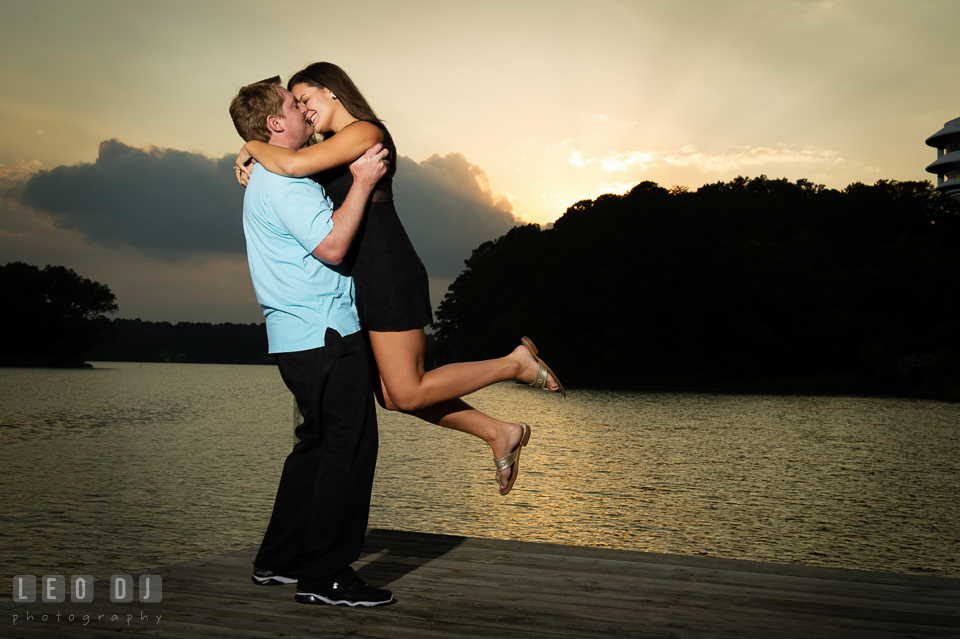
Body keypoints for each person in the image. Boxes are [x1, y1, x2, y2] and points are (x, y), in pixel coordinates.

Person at [236, 62, 565, 496]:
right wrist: (253, 149)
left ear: (332, 91)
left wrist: (252, 148)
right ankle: (498, 432)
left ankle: (515, 364)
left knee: (408, 391)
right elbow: (293, 161)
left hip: (387, 269)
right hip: (363, 278)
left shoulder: (365, 132)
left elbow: (294, 165)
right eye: (294, 103)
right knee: (392, 397)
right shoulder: (328, 144)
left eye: (305, 99)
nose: (302, 108)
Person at [229, 77, 394, 607]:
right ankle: (326, 576)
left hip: (297, 339)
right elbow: (334, 246)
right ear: (276, 124)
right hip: (326, 336)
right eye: (292, 104)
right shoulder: (284, 182)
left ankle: (279, 560)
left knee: (315, 449)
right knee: (348, 450)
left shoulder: (268, 175)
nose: (302, 109)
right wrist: (365, 180)